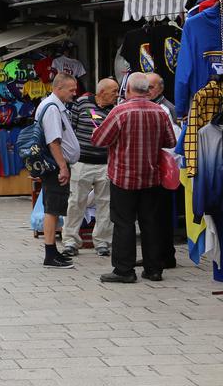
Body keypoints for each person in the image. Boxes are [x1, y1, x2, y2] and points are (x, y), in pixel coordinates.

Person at [92, 72, 178, 283]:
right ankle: (153, 269)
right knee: (151, 223)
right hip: (151, 177)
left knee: (124, 223)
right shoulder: (160, 112)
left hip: (124, 177)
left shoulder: (120, 112)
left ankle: (124, 270)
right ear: (147, 90)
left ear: (128, 90)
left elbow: (100, 139)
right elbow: (170, 141)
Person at [63, 77, 118, 258]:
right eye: (114, 92)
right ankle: (70, 241)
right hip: (82, 163)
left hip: (105, 164)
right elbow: (70, 130)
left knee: (106, 204)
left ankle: (102, 242)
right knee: (76, 202)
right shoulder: (82, 103)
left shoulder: (115, 110)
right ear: (102, 92)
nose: (117, 95)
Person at [35, 72, 82, 269]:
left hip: (53, 165)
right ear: (59, 88)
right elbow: (54, 141)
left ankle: (53, 251)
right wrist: (63, 166)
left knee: (53, 208)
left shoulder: (51, 105)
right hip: (55, 166)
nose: (74, 93)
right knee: (53, 210)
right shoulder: (53, 108)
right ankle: (50, 254)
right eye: (71, 90)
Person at [148, 72, 182, 271]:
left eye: (151, 87)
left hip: (162, 171)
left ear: (160, 88)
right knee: (155, 215)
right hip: (157, 170)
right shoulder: (156, 106)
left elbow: (173, 145)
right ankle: (159, 254)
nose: (147, 90)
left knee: (160, 216)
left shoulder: (166, 109)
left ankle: (165, 256)